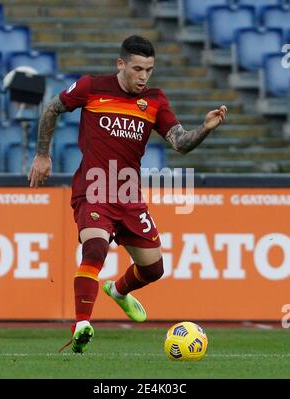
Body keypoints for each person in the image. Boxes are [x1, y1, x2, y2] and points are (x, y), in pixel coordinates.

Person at [28, 35, 227, 353]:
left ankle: (119, 291)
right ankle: (82, 324)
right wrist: (42, 155)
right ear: (121, 64)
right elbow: (52, 110)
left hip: (128, 195)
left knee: (153, 269)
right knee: (94, 249)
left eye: (149, 69)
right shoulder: (91, 87)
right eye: (137, 69)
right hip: (93, 189)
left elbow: (179, 143)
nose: (143, 76)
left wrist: (204, 128)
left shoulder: (155, 100)